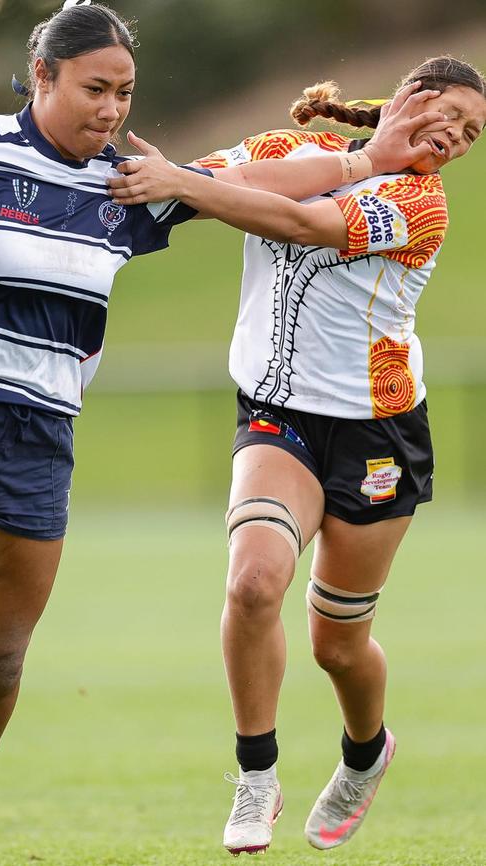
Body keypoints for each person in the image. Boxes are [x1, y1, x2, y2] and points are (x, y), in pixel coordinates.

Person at [0, 2, 451, 857]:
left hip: (44, 435)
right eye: (95, 89)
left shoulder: (121, 186)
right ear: (42, 75)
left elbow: (244, 190)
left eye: (125, 93)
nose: (112, 110)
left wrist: (361, 158)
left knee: (0, 663)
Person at [108, 56, 486, 855]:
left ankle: (364, 754)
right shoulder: (285, 153)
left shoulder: (420, 203)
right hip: (279, 418)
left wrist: (182, 180)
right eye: (449, 111)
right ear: (405, 99)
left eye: (473, 133)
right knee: (252, 582)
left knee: (337, 644)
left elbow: (292, 221)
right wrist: (154, 183)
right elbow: (198, 190)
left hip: (379, 433)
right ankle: (256, 776)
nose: (457, 135)